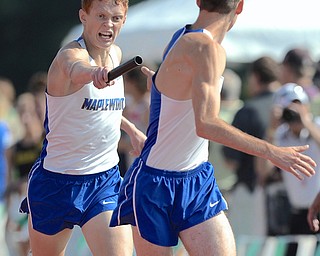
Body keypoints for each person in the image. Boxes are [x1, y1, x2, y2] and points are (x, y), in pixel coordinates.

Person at [110, 1, 316, 255]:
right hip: (157, 182)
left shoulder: (179, 37)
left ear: (198, 2)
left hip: (192, 178)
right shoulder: (208, 49)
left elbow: (172, 100)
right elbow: (206, 124)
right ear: (239, 6)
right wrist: (272, 151)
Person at [19, 0, 146, 255]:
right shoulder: (69, 56)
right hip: (56, 182)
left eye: (116, 18)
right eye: (100, 15)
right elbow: (74, 69)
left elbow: (101, 108)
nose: (108, 24)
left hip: (104, 180)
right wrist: (93, 73)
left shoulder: (117, 55)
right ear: (83, 17)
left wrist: (132, 130)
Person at [222, 56, 280, 238]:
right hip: (292, 192)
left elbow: (231, 160)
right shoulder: (290, 106)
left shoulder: (249, 110)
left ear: (255, 77)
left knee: (247, 245)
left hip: (251, 191)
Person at [272, 83, 320, 255]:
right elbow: (263, 171)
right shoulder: (279, 135)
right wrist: (271, 127)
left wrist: (306, 121)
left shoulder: (317, 127)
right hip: (296, 213)